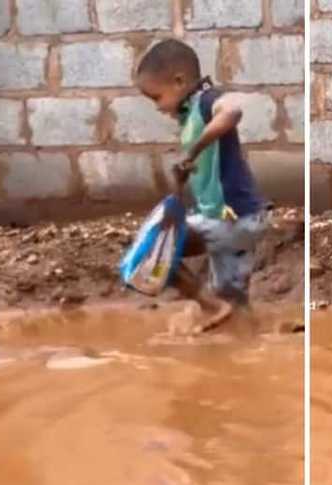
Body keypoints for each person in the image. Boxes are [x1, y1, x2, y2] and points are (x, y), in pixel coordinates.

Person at [135, 39, 268, 332]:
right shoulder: (189, 114)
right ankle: (252, 339)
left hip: (234, 218)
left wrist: (193, 151)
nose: (157, 107)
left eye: (156, 97)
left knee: (155, 250)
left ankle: (209, 306)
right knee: (234, 307)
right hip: (238, 218)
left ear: (179, 81)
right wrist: (184, 176)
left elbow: (232, 112)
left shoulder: (208, 101)